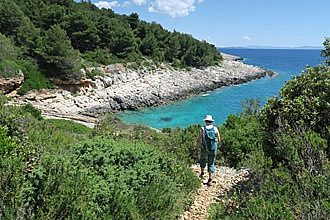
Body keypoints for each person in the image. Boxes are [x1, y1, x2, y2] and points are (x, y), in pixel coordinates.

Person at [198, 114, 221, 186]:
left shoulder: (202, 128)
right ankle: (210, 179)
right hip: (213, 148)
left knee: (203, 159)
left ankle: (202, 173)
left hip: (204, 147)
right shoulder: (215, 128)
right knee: (211, 162)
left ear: (205, 121)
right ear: (211, 121)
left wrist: (197, 145)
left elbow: (199, 138)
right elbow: (219, 139)